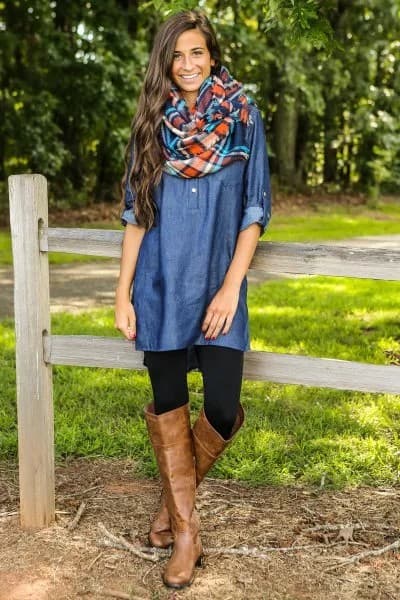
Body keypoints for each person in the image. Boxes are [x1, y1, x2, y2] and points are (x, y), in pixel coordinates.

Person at [114, 9, 271, 590]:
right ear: (165, 61)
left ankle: (170, 506)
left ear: (213, 55)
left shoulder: (243, 116)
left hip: (217, 286)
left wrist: (231, 286)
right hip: (158, 284)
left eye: (197, 53)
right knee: (170, 402)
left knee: (224, 408)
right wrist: (121, 293)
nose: (187, 65)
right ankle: (185, 533)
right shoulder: (152, 123)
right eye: (176, 55)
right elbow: (136, 214)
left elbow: (255, 210)